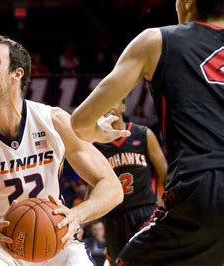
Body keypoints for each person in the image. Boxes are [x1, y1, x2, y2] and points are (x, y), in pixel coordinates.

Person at [0, 35, 124, 265]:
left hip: (55, 238)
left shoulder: (53, 121)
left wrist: (76, 216)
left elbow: (113, 187)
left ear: (17, 73)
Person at [70, 0, 224, 264]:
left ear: (187, 2)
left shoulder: (156, 41)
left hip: (200, 187)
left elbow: (80, 123)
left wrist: (101, 133)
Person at [93, 101, 167, 263]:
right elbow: (94, 184)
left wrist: (169, 204)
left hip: (145, 212)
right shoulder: (97, 146)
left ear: (123, 106)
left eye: (114, 99)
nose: (108, 104)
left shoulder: (143, 134)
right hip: (114, 217)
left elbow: (165, 174)